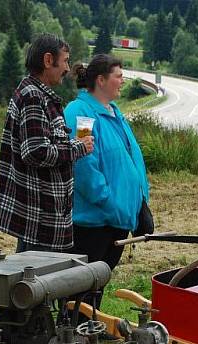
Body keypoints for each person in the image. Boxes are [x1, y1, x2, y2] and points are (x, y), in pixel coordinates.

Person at [0, 34, 95, 253]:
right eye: (66, 60)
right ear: (48, 60)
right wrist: (79, 147)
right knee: (36, 282)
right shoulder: (33, 97)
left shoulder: (38, 94)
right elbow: (36, 152)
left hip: (44, 219)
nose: (68, 68)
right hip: (39, 219)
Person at [63, 54, 150, 272]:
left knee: (97, 287)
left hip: (117, 220)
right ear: (101, 80)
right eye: (118, 76)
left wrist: (140, 206)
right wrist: (110, 203)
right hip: (94, 224)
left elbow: (129, 161)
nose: (123, 81)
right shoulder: (82, 113)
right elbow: (83, 165)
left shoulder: (114, 113)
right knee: (81, 292)